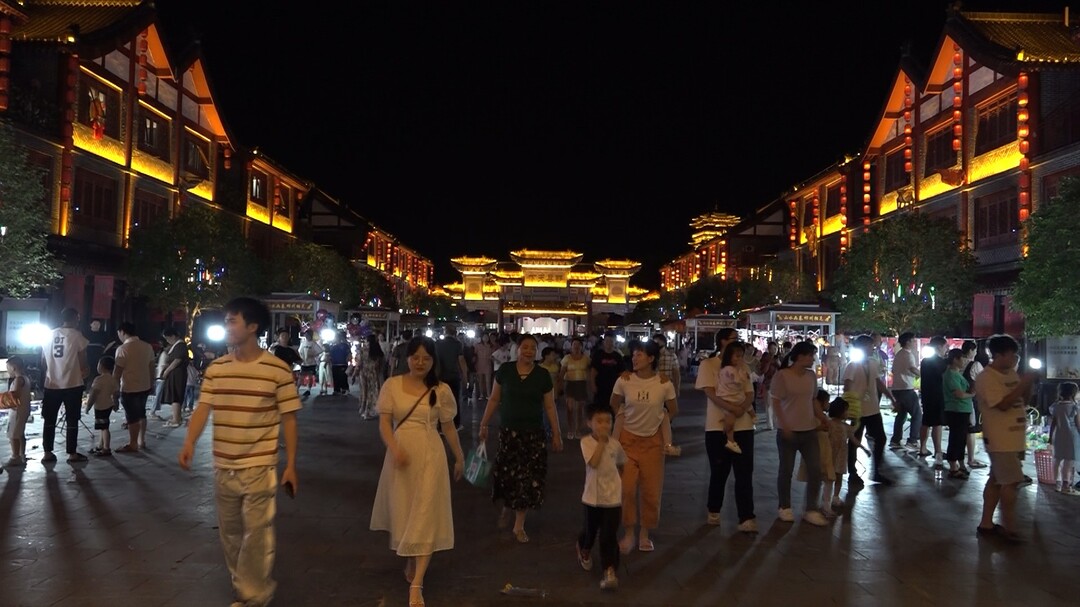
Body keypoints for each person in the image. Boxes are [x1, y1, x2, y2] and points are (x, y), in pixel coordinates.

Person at [178, 297, 301, 607]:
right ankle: (243, 587)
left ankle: (255, 593)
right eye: (226, 321)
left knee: (257, 532)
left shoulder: (277, 369)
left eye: (232, 321)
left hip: (259, 465)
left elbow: (289, 418)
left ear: (252, 326)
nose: (227, 327)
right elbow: (203, 408)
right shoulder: (217, 368)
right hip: (223, 464)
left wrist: (291, 465)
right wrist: (189, 442)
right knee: (231, 533)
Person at [370, 335, 464, 607]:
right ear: (407, 358)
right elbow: (385, 423)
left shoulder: (441, 390)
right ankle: (412, 558)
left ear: (434, 361)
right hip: (400, 456)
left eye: (426, 358)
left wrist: (459, 457)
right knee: (406, 510)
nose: (420, 362)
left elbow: (448, 426)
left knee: (425, 513)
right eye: (415, 357)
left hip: (430, 456)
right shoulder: (392, 385)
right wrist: (394, 449)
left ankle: (417, 584)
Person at [478, 334, 563, 544]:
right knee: (507, 475)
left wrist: (556, 433)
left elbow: (549, 406)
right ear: (517, 349)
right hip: (509, 432)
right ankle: (508, 506)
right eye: (525, 347)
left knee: (527, 478)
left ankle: (519, 524)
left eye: (532, 348)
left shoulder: (542, 375)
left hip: (533, 433)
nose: (528, 351)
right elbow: (494, 398)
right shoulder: (505, 371)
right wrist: (484, 423)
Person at [611, 340, 677, 554]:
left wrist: (660, 422)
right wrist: (622, 416)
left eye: (639, 354)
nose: (634, 358)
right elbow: (614, 403)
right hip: (628, 442)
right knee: (627, 489)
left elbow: (673, 409)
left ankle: (645, 534)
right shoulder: (624, 380)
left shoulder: (664, 383)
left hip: (653, 444)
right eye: (633, 354)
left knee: (651, 491)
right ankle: (629, 532)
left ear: (651, 358)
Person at [974, 334, 1036, 543]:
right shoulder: (986, 378)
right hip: (1000, 438)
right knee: (1012, 481)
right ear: (999, 355)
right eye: (1012, 355)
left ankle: (986, 524)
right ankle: (1010, 527)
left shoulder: (1011, 373)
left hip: (1014, 437)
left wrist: (1028, 384)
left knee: (997, 479)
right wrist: (1023, 383)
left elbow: (1022, 400)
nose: (1015, 359)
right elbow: (1002, 404)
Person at [697, 338, 757, 532]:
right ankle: (714, 509)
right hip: (717, 426)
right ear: (723, 342)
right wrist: (732, 410)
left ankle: (746, 516)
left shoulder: (743, 367)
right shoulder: (709, 365)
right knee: (719, 471)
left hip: (744, 426)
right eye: (731, 338)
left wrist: (740, 410)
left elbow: (750, 393)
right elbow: (711, 393)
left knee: (744, 473)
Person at [770, 340, 829, 526]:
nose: (813, 359)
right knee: (786, 470)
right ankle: (785, 506)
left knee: (815, 470)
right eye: (810, 355)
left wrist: (822, 417)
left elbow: (813, 400)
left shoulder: (811, 376)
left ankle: (811, 508)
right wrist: (784, 424)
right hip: (788, 431)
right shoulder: (782, 375)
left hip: (809, 430)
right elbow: (776, 402)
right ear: (799, 356)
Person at [575, 402, 626, 591]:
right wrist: (602, 443)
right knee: (590, 531)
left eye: (608, 421)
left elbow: (621, 464)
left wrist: (616, 483)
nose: (604, 425)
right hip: (592, 498)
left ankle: (609, 569)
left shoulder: (616, 444)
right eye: (599, 421)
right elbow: (594, 463)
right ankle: (584, 549)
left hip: (612, 498)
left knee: (608, 535)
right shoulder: (586, 442)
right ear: (589, 423)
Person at [844, 334, 896, 485]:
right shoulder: (852, 365)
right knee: (854, 440)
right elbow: (847, 386)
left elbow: (878, 382)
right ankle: (852, 472)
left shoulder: (873, 363)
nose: (873, 348)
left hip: (873, 408)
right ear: (863, 347)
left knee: (881, 438)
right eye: (871, 345)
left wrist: (891, 398)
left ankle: (876, 471)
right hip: (857, 409)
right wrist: (847, 406)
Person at [41, 307, 90, 463]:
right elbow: (82, 361)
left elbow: (43, 361)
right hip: (72, 383)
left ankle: (47, 452)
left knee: (49, 419)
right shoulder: (77, 336)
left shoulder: (48, 335)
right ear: (75, 318)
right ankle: (72, 453)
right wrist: (85, 371)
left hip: (51, 384)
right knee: (72, 419)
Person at [113, 322, 155, 453]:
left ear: (122, 332)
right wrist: (151, 383)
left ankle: (133, 443)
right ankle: (141, 440)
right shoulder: (147, 346)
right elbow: (151, 367)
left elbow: (117, 372)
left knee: (132, 417)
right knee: (141, 413)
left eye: (119, 333)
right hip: (145, 386)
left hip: (129, 387)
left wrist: (114, 391)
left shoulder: (123, 349)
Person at [943, 348, 976, 479]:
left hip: (962, 410)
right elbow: (959, 394)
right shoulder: (951, 375)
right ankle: (953, 466)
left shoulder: (956, 374)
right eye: (962, 358)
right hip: (956, 410)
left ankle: (961, 464)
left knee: (961, 439)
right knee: (956, 438)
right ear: (955, 360)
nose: (964, 361)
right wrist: (972, 394)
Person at [712, 341, 749, 454]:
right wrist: (744, 376)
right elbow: (737, 381)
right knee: (731, 421)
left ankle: (731, 440)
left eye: (741, 356)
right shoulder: (730, 369)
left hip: (729, 397)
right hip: (729, 398)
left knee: (730, 420)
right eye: (737, 356)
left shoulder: (731, 368)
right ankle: (730, 441)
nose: (739, 359)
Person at [822, 395, 855, 516]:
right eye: (846, 410)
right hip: (832, 455)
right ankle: (827, 500)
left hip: (840, 456)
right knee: (830, 478)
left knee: (838, 477)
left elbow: (852, 437)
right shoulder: (830, 425)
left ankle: (835, 497)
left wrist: (862, 447)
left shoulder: (844, 426)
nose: (848, 413)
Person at [919, 335, 949, 468]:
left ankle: (922, 447)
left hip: (926, 394)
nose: (946, 349)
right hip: (937, 395)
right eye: (945, 346)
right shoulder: (941, 362)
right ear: (939, 346)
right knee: (937, 423)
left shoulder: (925, 361)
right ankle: (938, 451)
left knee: (926, 421)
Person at [889, 332, 922, 450]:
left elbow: (894, 370)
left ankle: (895, 439)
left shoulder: (899, 354)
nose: (915, 343)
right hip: (906, 388)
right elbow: (912, 368)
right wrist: (923, 375)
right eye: (913, 340)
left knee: (901, 414)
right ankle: (913, 440)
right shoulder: (908, 355)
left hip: (897, 388)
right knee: (917, 415)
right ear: (908, 342)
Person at [1049, 382, 1080, 495]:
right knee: (1069, 460)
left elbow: (1053, 423)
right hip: (1072, 435)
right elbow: (1078, 424)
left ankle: (1057, 484)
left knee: (1058, 459)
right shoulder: (1074, 407)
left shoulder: (1056, 406)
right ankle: (1066, 485)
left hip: (1058, 435)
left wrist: (1050, 437)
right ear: (1073, 393)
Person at [961, 340, 988, 470]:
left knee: (960, 430)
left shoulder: (957, 363)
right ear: (971, 350)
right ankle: (971, 459)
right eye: (975, 350)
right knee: (971, 430)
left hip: (956, 402)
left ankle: (959, 460)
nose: (976, 353)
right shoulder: (975, 365)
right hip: (971, 400)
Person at [84, 356, 119, 456]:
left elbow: (94, 394)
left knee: (104, 428)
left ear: (101, 366)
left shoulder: (98, 380)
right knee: (103, 426)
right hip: (108, 405)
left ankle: (106, 448)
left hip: (101, 406)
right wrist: (116, 404)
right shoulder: (113, 379)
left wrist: (88, 406)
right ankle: (100, 445)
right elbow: (115, 394)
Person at [2, 356, 32, 467]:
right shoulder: (26, 378)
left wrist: (3, 399)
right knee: (20, 433)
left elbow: (15, 395)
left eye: (8, 368)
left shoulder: (19, 380)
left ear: (13, 368)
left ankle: (15, 457)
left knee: (13, 434)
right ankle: (22, 454)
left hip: (17, 411)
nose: (7, 371)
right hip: (24, 410)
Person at [434, 326, 467, 427]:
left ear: (445, 332)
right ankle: (455, 423)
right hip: (454, 376)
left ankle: (440, 423)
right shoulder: (457, 344)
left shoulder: (437, 343)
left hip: (440, 376)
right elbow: (461, 360)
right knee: (454, 400)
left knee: (440, 400)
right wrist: (465, 375)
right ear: (455, 333)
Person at [559, 337, 591, 440]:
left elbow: (590, 372)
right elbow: (562, 372)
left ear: (581, 347)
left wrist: (590, 384)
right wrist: (559, 384)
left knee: (580, 409)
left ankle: (578, 430)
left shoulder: (586, 358)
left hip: (581, 384)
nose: (576, 347)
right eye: (574, 345)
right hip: (570, 384)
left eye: (578, 345)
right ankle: (570, 429)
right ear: (571, 346)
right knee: (570, 408)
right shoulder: (567, 358)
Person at [158, 328, 190, 428]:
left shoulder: (180, 345)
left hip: (177, 374)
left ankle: (176, 420)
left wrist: (166, 371)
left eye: (168, 338)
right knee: (174, 395)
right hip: (175, 374)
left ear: (173, 336)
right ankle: (176, 417)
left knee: (175, 395)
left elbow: (177, 360)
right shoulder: (176, 345)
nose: (167, 341)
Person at [589, 331, 624, 408]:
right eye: (607, 341)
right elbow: (593, 372)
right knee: (600, 409)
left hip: (614, 387)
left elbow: (621, 373)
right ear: (603, 342)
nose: (609, 343)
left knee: (613, 408)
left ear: (614, 342)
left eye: (611, 341)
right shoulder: (598, 355)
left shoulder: (618, 356)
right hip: (600, 387)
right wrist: (593, 385)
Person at [358, 334, 387, 420]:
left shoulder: (363, 350)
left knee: (364, 392)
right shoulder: (377, 350)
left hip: (363, 373)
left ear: (367, 341)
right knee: (372, 393)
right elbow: (382, 363)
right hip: (373, 373)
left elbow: (359, 363)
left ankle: (363, 409)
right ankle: (368, 411)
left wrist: (355, 373)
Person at [297, 329, 324, 397]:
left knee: (310, 377)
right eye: (306, 335)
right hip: (304, 363)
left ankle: (308, 390)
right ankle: (297, 389)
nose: (307, 336)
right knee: (301, 377)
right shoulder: (303, 342)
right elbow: (300, 351)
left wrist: (313, 355)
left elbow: (320, 351)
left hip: (311, 363)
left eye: (308, 335)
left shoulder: (313, 343)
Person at [328, 331, 352, 395]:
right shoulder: (332, 346)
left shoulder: (345, 345)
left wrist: (349, 360)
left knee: (343, 377)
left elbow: (349, 354)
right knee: (335, 377)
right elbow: (330, 355)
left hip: (343, 363)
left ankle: (345, 388)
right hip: (334, 364)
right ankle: (337, 389)